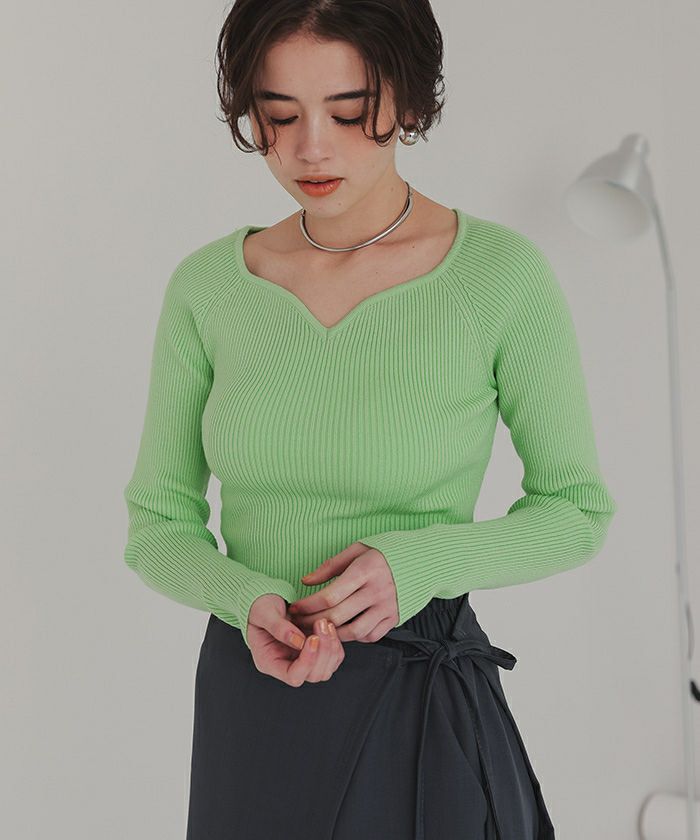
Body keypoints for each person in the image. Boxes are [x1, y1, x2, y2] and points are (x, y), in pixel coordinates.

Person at [122, 2, 617, 838]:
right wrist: (247, 600)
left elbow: (577, 511)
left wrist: (419, 563)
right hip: (254, 690)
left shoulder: (499, 277)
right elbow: (156, 523)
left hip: (418, 694)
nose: (311, 148)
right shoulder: (208, 288)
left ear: (411, 101)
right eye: (279, 115)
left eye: (349, 112)